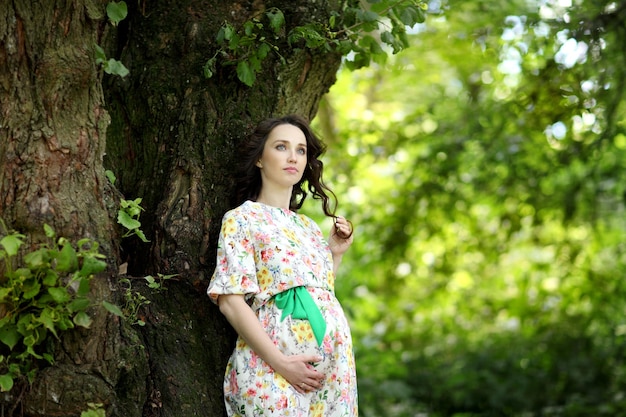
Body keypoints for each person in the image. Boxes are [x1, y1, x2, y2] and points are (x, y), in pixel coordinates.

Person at [207, 115, 358, 416]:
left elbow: (318, 297)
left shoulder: (309, 227)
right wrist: (283, 363)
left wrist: (335, 255)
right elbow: (230, 302)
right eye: (281, 147)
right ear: (260, 159)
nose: (293, 157)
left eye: (301, 150)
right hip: (274, 370)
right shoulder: (242, 219)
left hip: (334, 373)